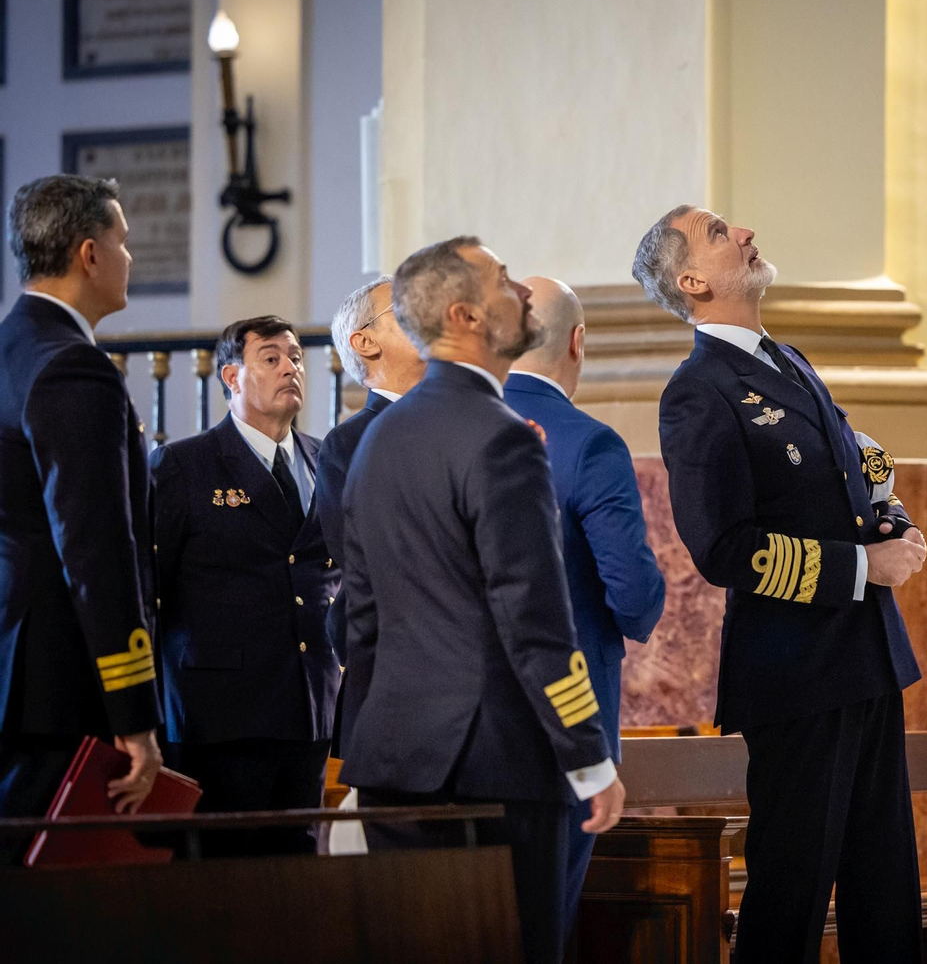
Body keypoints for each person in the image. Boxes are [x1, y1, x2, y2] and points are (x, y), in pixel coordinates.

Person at [633, 206, 927, 963]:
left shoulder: (787, 360)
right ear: (692, 280)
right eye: (720, 232)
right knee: (790, 894)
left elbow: (854, 460)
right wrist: (863, 567)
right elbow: (723, 546)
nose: (747, 233)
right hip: (795, 673)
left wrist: (889, 516)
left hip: (865, 657)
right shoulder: (700, 389)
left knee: (886, 884)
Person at [341, 237, 626, 964]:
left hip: (393, 766)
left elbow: (361, 623)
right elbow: (534, 619)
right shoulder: (502, 438)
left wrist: (370, 747)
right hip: (490, 766)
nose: (524, 295)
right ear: (467, 316)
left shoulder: (376, 438)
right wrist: (589, 757)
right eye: (505, 282)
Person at [0, 175, 162, 842]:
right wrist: (134, 715)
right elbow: (96, 550)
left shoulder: (12, 348)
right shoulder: (73, 367)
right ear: (89, 254)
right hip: (59, 688)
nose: (131, 259)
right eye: (124, 242)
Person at [503, 276, 666, 932]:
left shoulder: (435, 429)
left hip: (448, 733)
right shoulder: (586, 442)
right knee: (540, 928)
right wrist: (647, 604)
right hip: (562, 728)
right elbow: (631, 591)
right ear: (578, 342)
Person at [150, 316, 340, 855]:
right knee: (221, 874)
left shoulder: (324, 459)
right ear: (232, 376)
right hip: (220, 713)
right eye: (272, 358)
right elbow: (149, 588)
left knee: (295, 871)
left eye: (297, 357)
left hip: (306, 705)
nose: (291, 369)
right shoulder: (184, 465)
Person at [317, 275, 425, 668]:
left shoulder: (464, 421)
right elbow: (363, 557)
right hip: (395, 652)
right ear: (365, 341)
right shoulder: (349, 444)